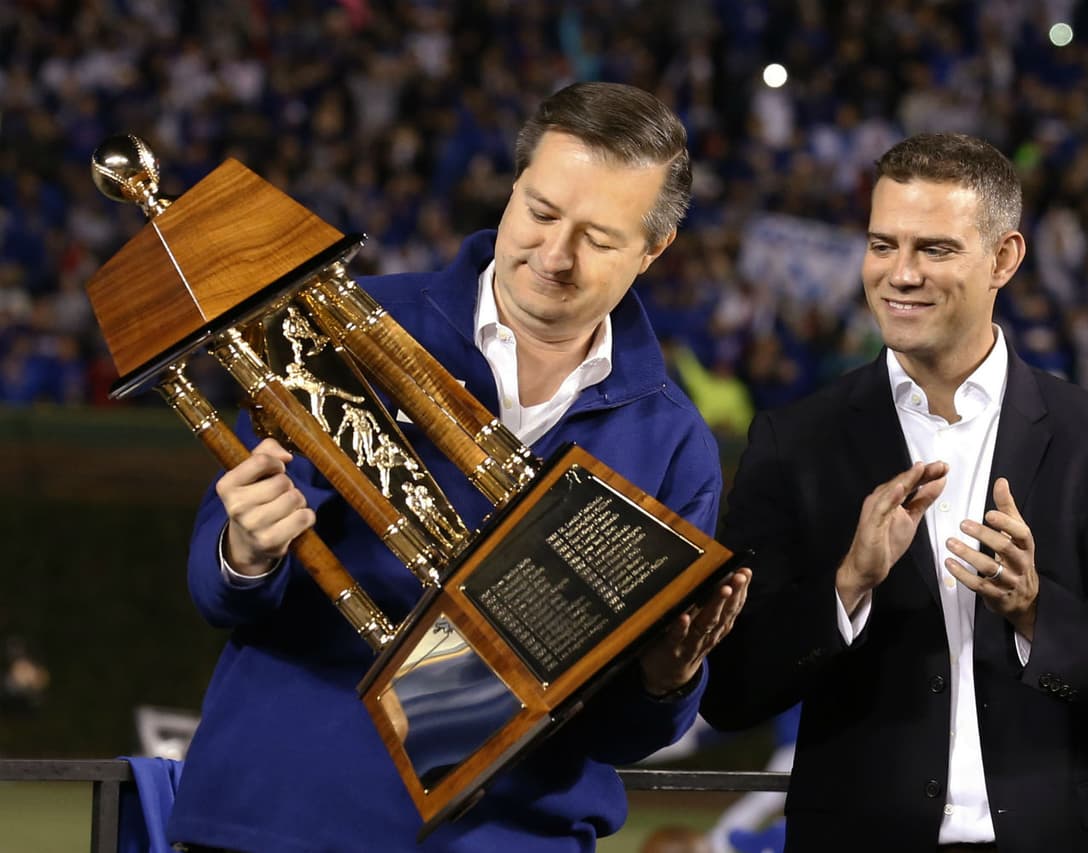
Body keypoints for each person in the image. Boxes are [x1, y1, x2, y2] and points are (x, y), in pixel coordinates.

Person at [170, 81, 750, 853]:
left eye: (600, 238)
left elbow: (625, 731)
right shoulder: (341, 326)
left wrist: (669, 676)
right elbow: (220, 594)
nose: (554, 255)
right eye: (540, 213)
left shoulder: (675, 441)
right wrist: (245, 549)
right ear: (511, 191)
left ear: (654, 249)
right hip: (280, 817)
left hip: (512, 836)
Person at [701, 133, 1088, 852]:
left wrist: (1038, 611)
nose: (898, 274)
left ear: (1004, 257)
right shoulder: (794, 443)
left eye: (934, 249)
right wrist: (846, 587)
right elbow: (728, 688)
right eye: (883, 245)